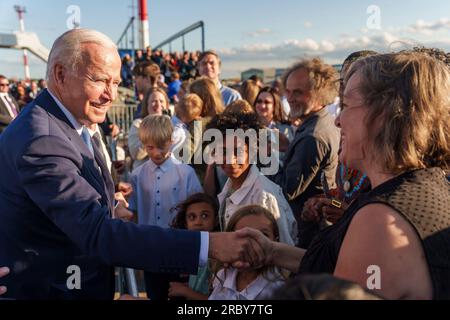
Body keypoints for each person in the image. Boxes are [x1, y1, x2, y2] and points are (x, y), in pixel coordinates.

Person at [0, 29, 265, 300]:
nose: (111, 95)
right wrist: (209, 245)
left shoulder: (71, 122)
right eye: (101, 80)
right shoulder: (42, 137)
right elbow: (97, 232)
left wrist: (107, 204)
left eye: (115, 82)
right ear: (60, 74)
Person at [244, 52, 450, 300]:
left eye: (346, 106)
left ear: (383, 115)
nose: (338, 120)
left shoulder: (380, 220)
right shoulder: (425, 186)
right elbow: (337, 264)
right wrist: (272, 251)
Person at [271, 58, 340, 248]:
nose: (290, 98)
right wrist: (288, 147)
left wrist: (267, 157)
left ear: (320, 94)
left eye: (298, 93)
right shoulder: (323, 121)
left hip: (307, 234)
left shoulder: (313, 136)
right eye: (288, 91)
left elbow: (287, 191)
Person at [207, 112, 298, 246]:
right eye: (224, 152)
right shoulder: (229, 188)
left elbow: (284, 249)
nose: (231, 160)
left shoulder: (264, 196)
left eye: (238, 152)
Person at [209, 205, 286, 300]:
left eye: (264, 235)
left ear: (275, 241)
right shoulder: (222, 276)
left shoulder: (279, 290)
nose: (253, 243)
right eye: (244, 235)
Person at [168, 193, 220, 300]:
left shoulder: (217, 257)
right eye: (192, 217)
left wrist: (185, 291)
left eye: (205, 216)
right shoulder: (194, 251)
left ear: (215, 221)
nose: (198, 222)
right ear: (186, 223)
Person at [128, 87, 185, 170]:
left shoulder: (174, 124)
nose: (158, 105)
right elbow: (136, 154)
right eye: (154, 101)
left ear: (166, 104)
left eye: (161, 101)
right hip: (144, 175)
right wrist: (155, 134)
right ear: (147, 104)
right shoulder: (138, 124)